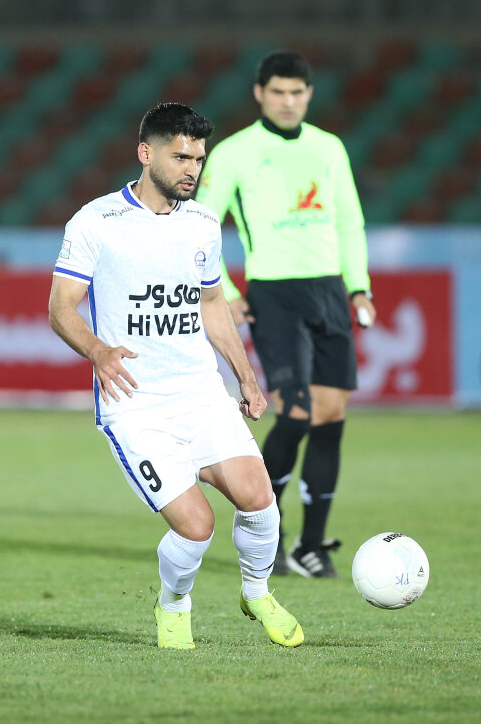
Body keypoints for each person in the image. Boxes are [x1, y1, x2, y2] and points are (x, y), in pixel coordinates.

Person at [49, 102, 303, 649]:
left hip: (201, 393)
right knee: (196, 525)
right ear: (146, 153)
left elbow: (212, 303)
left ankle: (257, 593)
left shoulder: (204, 223)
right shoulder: (96, 221)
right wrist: (97, 350)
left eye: (199, 159)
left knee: (260, 500)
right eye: (181, 157)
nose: (193, 169)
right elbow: (61, 307)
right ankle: (173, 604)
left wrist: (245, 376)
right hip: (136, 404)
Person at [196, 51, 376, 579]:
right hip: (274, 295)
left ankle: (311, 546)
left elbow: (350, 222)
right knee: (294, 415)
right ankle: (265, 532)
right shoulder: (235, 153)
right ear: (260, 94)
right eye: (278, 92)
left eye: (297, 92)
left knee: (330, 418)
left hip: (329, 291)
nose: (288, 101)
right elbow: (201, 225)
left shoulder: (329, 148)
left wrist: (359, 287)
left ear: (309, 94)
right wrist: (227, 290)